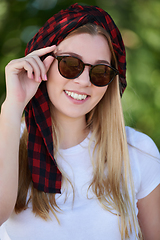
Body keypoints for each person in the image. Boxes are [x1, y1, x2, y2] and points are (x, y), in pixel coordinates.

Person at [0, 3, 160, 240]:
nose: (84, 81)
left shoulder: (138, 152)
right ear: (43, 62)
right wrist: (13, 105)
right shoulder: (7, 139)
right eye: (70, 64)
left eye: (100, 72)